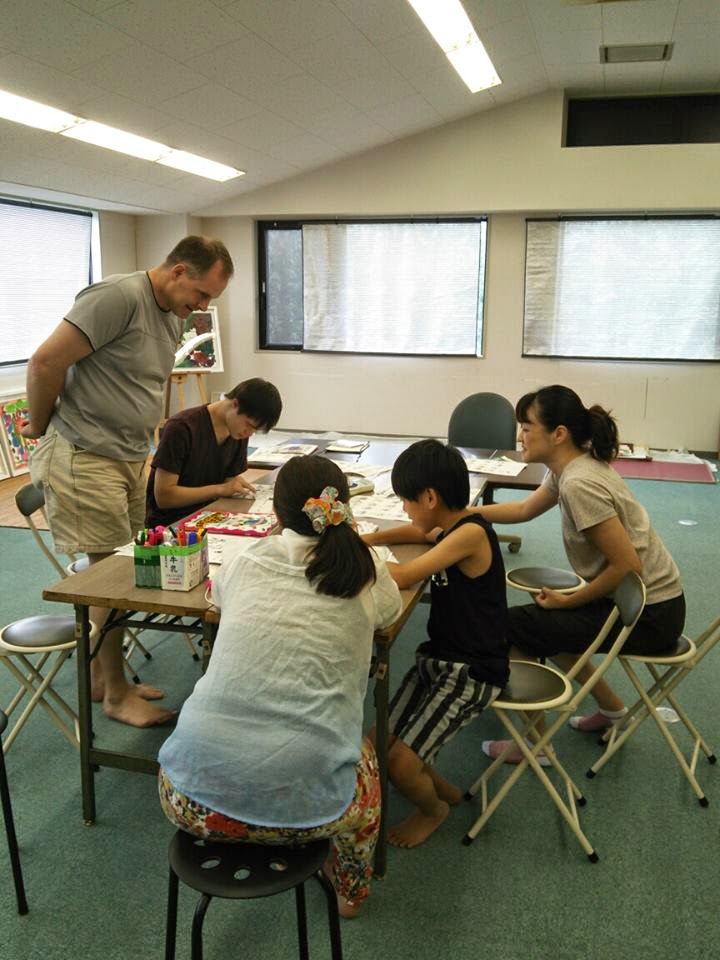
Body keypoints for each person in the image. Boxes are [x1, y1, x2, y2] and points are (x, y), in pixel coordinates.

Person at [158, 455, 402, 918]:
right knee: (366, 757)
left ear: (275, 513)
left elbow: (217, 598)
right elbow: (388, 614)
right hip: (314, 812)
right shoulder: (365, 567)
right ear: (344, 508)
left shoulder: (247, 560)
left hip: (187, 799)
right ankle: (349, 892)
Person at [22, 235, 234, 728]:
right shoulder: (118, 296)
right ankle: (116, 695)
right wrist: (40, 423)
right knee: (113, 578)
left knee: (130, 567)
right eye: (202, 294)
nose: (203, 307)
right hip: (85, 454)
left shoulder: (172, 313)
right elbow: (45, 362)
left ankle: (103, 678)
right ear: (178, 271)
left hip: (127, 456)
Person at [476, 384, 686, 761]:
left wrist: (568, 601)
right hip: (647, 601)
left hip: (650, 614)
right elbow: (524, 510)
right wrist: (466, 515)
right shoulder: (570, 468)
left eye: (527, 427)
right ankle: (612, 709)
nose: (520, 435)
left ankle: (535, 745)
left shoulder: (579, 484)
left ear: (558, 434)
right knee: (545, 623)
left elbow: (627, 566)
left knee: (514, 626)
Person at [362, 439, 508, 849]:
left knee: (398, 766)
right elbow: (417, 530)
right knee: (374, 746)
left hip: (473, 671)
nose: (404, 508)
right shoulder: (455, 524)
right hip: (437, 659)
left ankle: (433, 810)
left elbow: (405, 576)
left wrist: (353, 555)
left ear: (430, 497)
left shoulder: (471, 534)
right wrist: (369, 539)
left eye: (406, 500)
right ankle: (440, 785)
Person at [145, 377, 282, 529]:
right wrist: (220, 489)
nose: (249, 433)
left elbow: (228, 482)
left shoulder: (238, 433)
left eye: (255, 430)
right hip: (170, 526)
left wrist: (233, 487)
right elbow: (164, 497)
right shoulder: (182, 428)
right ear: (235, 404)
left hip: (210, 517)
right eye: (249, 425)